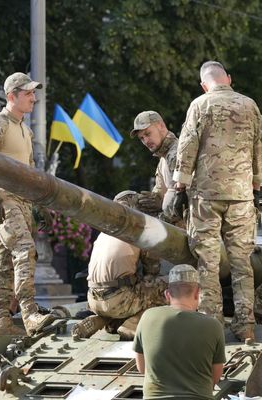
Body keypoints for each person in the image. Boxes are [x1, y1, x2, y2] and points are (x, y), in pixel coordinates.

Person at [173, 60, 262, 341]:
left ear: (204, 84)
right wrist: (258, 186)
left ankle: (212, 325)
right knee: (242, 261)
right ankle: (245, 324)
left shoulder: (200, 105)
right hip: (241, 196)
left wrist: (179, 186)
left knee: (208, 263)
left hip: (206, 195)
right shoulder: (250, 106)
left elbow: (187, 146)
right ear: (229, 79)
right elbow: (259, 146)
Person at [0, 72, 54, 336]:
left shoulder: (25, 129)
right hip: (5, 198)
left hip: (22, 201)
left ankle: (2, 320)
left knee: (5, 259)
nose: (34, 98)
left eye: (34, 93)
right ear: (12, 96)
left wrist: (37, 202)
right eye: (28, 94)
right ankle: (29, 312)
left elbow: (30, 169)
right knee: (24, 249)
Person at [71, 191, 167, 340]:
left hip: (93, 299)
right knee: (166, 288)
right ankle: (133, 324)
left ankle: (103, 320)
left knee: (131, 295)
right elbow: (152, 269)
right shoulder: (138, 229)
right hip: (120, 299)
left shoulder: (104, 231)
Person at [133, 264, 225, 399]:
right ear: (197, 293)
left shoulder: (147, 317)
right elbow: (215, 377)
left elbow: (142, 368)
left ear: (167, 294)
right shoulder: (213, 326)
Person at [130, 111, 184, 224]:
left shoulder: (176, 154)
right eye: (141, 138)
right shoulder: (164, 158)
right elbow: (159, 195)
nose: (146, 141)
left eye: (148, 134)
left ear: (161, 126)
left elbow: (182, 200)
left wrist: (155, 222)